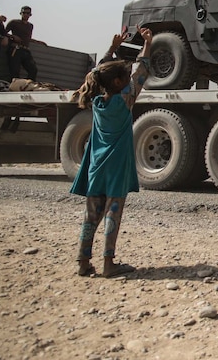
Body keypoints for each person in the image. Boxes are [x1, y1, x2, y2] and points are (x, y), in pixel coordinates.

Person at [69, 28, 150, 278]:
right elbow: (143, 69)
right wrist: (148, 42)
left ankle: (83, 262)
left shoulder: (97, 101)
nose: (129, 77)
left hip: (96, 164)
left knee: (91, 215)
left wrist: (111, 50)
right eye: (124, 76)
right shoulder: (124, 101)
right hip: (116, 167)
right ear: (118, 82)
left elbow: (97, 74)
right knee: (113, 213)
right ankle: (108, 263)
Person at [5, 5, 46, 81]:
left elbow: (27, 38)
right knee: (14, 71)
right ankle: (14, 88)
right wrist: (13, 36)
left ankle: (26, 86)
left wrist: (38, 42)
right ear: (21, 13)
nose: (26, 15)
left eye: (28, 13)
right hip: (15, 49)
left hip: (26, 50)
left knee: (33, 70)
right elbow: (3, 32)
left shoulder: (30, 26)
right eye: (24, 13)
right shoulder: (14, 22)